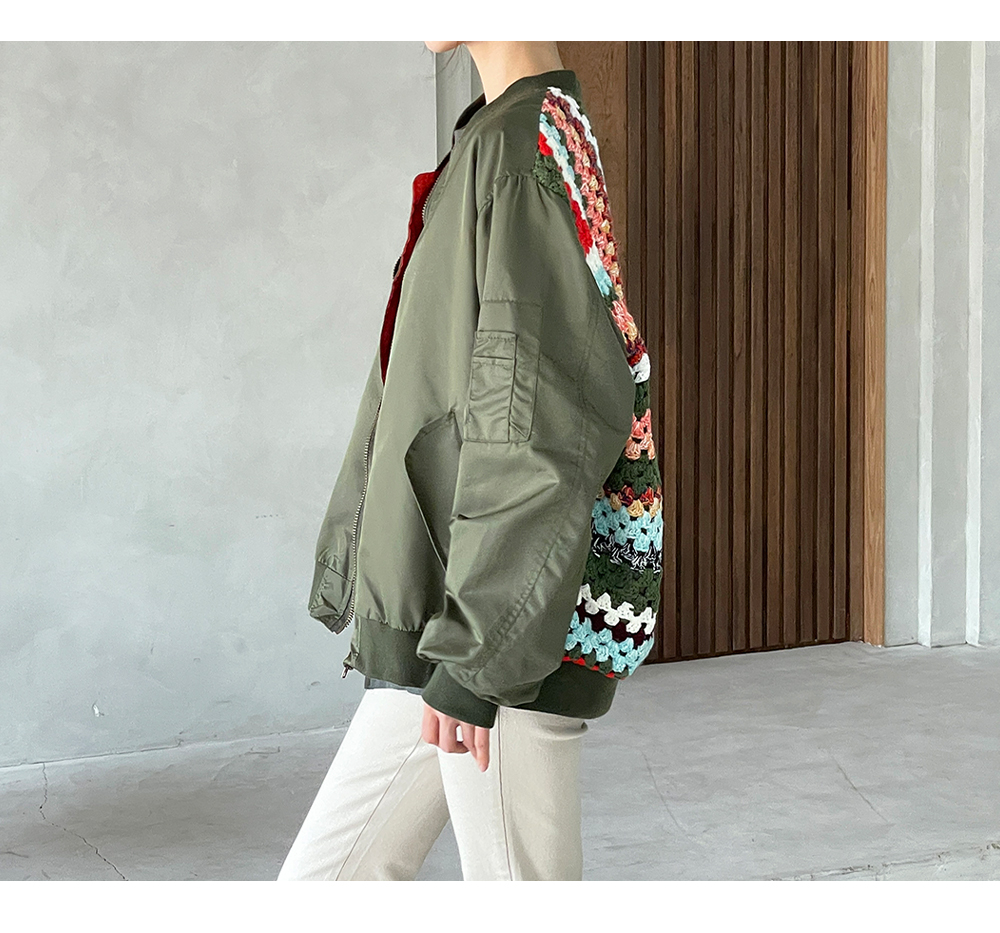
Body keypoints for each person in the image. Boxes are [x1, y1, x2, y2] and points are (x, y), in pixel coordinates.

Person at [277, 40, 663, 882]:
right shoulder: (508, 132)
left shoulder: (522, 148)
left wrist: (481, 653)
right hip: (452, 613)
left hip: (491, 634)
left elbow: (539, 422)